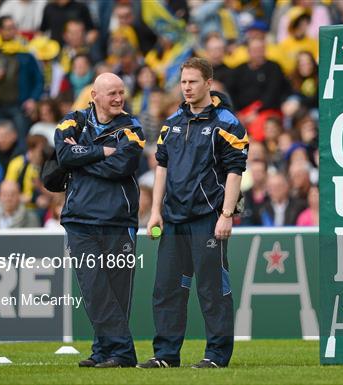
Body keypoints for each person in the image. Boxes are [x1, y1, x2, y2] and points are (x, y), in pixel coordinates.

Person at [138, 58, 248, 369]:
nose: (187, 87)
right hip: (173, 219)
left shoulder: (227, 123)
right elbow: (162, 167)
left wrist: (226, 214)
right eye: (183, 82)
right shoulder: (172, 123)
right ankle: (166, 355)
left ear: (208, 83)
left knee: (213, 290)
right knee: (166, 290)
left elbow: (235, 171)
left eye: (193, 82)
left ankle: (216, 355)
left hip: (207, 218)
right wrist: (156, 212)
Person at [55, 73, 145, 368]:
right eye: (112, 93)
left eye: (122, 92)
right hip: (79, 220)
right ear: (94, 95)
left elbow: (122, 166)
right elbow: (63, 153)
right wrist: (101, 152)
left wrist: (81, 162)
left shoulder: (132, 128)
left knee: (116, 292)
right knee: (94, 288)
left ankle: (107, 351)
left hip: (118, 219)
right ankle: (119, 352)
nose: (119, 98)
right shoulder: (73, 120)